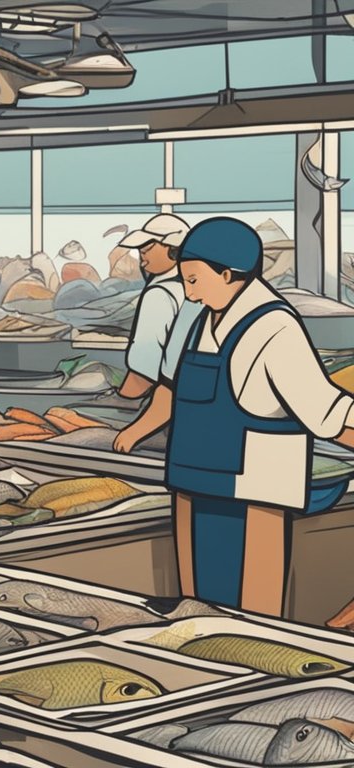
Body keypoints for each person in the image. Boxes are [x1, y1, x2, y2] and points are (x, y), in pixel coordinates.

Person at [114, 217, 354, 616]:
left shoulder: (274, 326)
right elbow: (174, 390)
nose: (189, 294)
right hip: (194, 481)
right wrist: (136, 430)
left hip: (253, 491)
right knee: (198, 613)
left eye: (194, 281)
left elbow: (324, 411)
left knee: (253, 621)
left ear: (227, 274)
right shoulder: (202, 321)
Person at [115, 214, 201, 399]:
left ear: (173, 248)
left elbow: (143, 373)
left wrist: (121, 399)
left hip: (156, 398)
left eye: (148, 246)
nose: (141, 251)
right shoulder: (196, 286)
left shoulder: (159, 294)